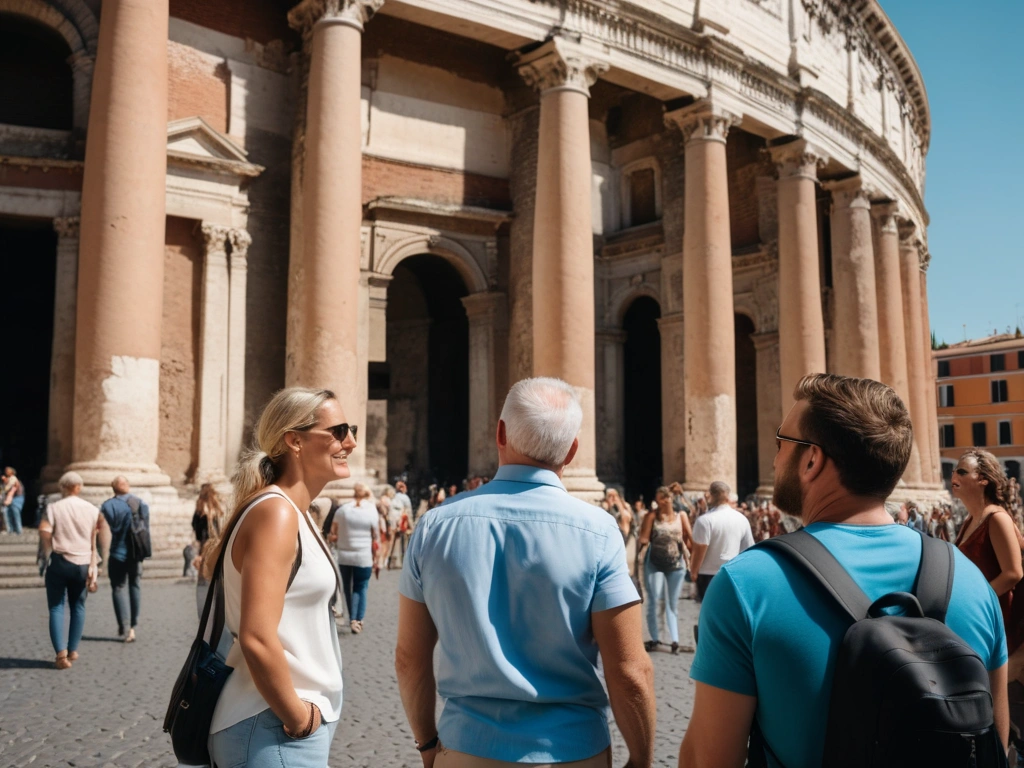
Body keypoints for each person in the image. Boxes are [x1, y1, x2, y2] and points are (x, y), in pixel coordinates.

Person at [679, 374, 1010, 767]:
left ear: (812, 459)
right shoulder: (972, 581)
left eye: (781, 442)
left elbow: (711, 760)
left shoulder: (747, 585)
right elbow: (996, 743)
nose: (774, 457)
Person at [395, 377, 655, 767]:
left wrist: (427, 743)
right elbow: (630, 670)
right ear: (572, 451)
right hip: (572, 750)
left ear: (499, 433)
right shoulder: (599, 531)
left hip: (466, 747)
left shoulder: (435, 526)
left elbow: (409, 658)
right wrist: (641, 759)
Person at [206, 387, 350, 767]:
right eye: (337, 432)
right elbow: (256, 636)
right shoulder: (277, 513)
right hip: (270, 724)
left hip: (275, 723)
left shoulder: (297, 513)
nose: (350, 442)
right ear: (295, 441)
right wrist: (299, 719)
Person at [952, 450, 1024, 690]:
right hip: (983, 623)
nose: (954, 475)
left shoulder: (997, 518)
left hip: (1002, 623)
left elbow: (1014, 572)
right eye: (954, 470)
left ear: (982, 479)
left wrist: (976, 601)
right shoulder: (968, 522)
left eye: (962, 471)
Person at [38, 472, 100, 669]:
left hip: (60, 560)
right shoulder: (92, 509)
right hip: (83, 562)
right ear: (79, 487)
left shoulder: (54, 507)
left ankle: (60, 655)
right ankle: (73, 649)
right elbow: (94, 538)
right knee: (78, 607)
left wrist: (49, 550)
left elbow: (44, 530)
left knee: (56, 607)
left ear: (62, 487)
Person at [638, 485, 692, 653]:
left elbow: (644, 539)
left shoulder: (680, 515)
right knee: (656, 600)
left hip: (674, 563)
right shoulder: (652, 516)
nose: (663, 501)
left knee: (665, 602)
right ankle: (658, 638)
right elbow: (644, 538)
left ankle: (672, 639)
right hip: (658, 562)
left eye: (662, 498)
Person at [99, 476, 150, 643]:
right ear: (126, 486)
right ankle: (133, 626)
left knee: (118, 587)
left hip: (117, 552)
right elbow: (145, 528)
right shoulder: (140, 503)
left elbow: (106, 528)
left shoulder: (107, 505)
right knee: (135, 586)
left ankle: (124, 625)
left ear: (113, 488)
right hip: (136, 553)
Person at [688, 481, 753, 601]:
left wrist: (694, 571)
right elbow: (748, 548)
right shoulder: (742, 519)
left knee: (709, 613)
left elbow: (700, 549)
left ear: (711, 495)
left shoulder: (704, 520)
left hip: (708, 573)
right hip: (733, 572)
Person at [332, 482, 379, 634]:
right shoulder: (371, 510)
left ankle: (352, 617)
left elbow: (334, 532)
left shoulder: (343, 509)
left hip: (344, 555)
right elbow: (376, 534)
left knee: (347, 587)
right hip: (363, 555)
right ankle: (357, 619)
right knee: (361, 587)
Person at [2, 466, 25, 535]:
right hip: (10, 498)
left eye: (8, 470)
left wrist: (4, 486)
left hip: (16, 498)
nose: (6, 472)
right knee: (7, 513)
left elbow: (8, 487)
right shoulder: (8, 479)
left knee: (15, 512)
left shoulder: (13, 478)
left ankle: (18, 530)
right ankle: (10, 529)